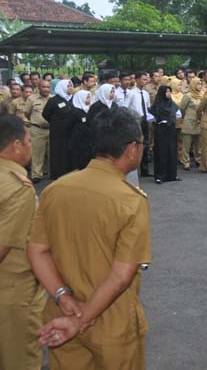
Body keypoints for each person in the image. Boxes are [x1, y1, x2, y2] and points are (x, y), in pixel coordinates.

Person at [27, 108, 151, 369]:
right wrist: (81, 320)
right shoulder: (130, 200)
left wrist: (63, 298)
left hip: (63, 312)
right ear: (131, 148)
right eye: (141, 143)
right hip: (110, 320)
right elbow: (120, 276)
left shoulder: (56, 189)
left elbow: (37, 250)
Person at [0, 114, 44, 370]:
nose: (30, 145)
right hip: (13, 296)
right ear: (17, 145)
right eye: (28, 140)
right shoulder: (18, 188)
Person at [43, 79, 75, 179]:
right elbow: (45, 114)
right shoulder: (54, 100)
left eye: (71, 86)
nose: (71, 88)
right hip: (58, 133)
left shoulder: (74, 99)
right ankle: (58, 175)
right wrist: (56, 123)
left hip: (71, 132)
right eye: (68, 86)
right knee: (58, 153)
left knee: (69, 153)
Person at [150, 86, 181, 184]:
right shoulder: (157, 105)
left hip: (171, 129)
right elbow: (151, 117)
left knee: (172, 151)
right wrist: (160, 120)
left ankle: (172, 175)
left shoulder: (172, 104)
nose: (168, 93)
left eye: (169, 91)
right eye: (166, 91)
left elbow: (178, 114)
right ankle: (160, 176)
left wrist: (170, 119)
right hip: (161, 130)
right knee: (161, 152)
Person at [124, 72, 153, 177]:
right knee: (136, 143)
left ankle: (145, 169)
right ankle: (133, 170)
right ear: (136, 80)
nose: (145, 81)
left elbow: (147, 107)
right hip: (136, 120)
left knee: (145, 144)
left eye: (146, 79)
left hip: (145, 120)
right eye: (143, 79)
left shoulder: (145, 94)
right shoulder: (131, 93)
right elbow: (125, 107)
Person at [24, 80, 51, 183]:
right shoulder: (32, 99)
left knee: (52, 153)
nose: (46, 89)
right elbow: (27, 113)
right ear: (39, 87)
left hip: (51, 130)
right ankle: (37, 175)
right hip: (37, 130)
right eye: (43, 87)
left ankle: (52, 172)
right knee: (37, 153)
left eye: (48, 87)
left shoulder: (53, 99)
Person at [179, 77, 203, 171]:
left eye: (200, 84)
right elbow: (182, 108)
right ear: (193, 85)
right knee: (186, 144)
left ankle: (198, 159)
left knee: (198, 143)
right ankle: (186, 162)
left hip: (199, 121)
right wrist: (185, 117)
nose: (199, 86)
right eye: (197, 84)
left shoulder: (202, 95)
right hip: (189, 121)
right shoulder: (188, 96)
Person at [69, 90, 93, 170]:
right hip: (77, 143)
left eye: (89, 97)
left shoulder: (88, 110)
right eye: (87, 98)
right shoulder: (75, 111)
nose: (89, 100)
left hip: (87, 142)